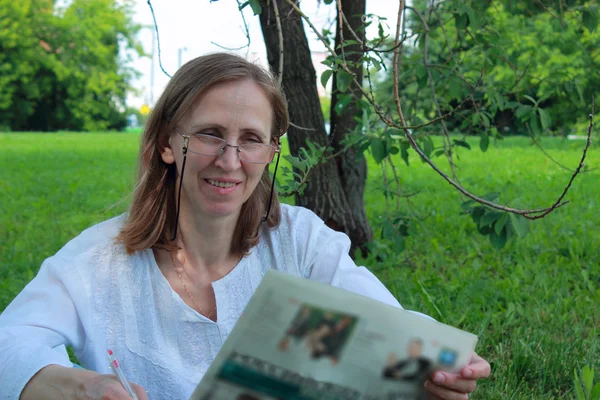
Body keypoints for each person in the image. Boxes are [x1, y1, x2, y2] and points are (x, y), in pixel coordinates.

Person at [0, 53, 490, 399]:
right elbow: (9, 342)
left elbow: (391, 326)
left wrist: (442, 369)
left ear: (272, 152)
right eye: (211, 133)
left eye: (251, 139)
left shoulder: (301, 242)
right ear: (168, 143)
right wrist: (71, 384)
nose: (230, 160)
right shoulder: (99, 262)